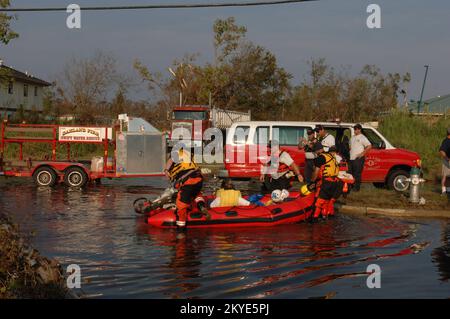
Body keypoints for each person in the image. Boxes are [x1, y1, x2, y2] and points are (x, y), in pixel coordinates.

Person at [165, 146, 208, 229]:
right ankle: (201, 206)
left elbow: (170, 161)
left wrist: (166, 170)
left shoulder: (175, 154)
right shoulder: (189, 155)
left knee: (181, 204)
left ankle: (181, 231)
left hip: (187, 180)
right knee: (196, 194)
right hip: (198, 178)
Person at [311, 143, 342, 220]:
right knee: (327, 201)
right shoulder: (332, 157)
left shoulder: (321, 157)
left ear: (317, 150)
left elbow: (316, 172)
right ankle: (326, 216)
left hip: (327, 183)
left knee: (319, 201)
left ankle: (314, 218)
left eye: (315, 151)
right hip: (335, 183)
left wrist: (312, 181)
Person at [349, 124, 372, 192]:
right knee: (351, 173)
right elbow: (350, 146)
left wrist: (362, 154)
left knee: (357, 174)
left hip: (358, 159)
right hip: (351, 158)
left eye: (356, 129)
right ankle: (351, 187)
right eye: (354, 129)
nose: (355, 131)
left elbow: (369, 146)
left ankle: (356, 188)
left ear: (359, 129)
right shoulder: (352, 137)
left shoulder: (362, 137)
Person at [439, 128, 450, 194]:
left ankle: (448, 190)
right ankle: (443, 190)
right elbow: (441, 151)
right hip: (447, 161)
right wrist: (447, 158)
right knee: (445, 175)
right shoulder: (446, 141)